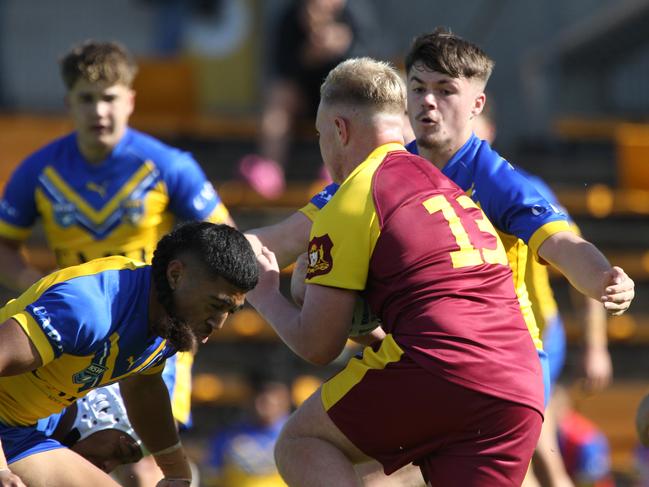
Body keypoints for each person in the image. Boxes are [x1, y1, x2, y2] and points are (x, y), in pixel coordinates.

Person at [247, 56, 545, 486]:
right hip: (520, 385)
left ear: (339, 130)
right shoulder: (450, 186)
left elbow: (317, 345)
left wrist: (265, 294)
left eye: (318, 134)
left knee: (302, 442)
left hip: (442, 366)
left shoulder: (350, 199)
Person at [0, 40, 234, 485]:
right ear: (70, 103)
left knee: (141, 464)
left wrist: (197, 313)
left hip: (149, 333)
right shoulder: (39, 170)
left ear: (130, 100)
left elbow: (224, 245)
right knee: (82, 456)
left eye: (109, 97)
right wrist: (38, 283)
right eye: (86, 99)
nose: (99, 111)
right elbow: (3, 244)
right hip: (77, 333)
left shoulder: (168, 166)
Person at [0, 221, 258, 486]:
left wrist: (176, 473)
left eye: (230, 311)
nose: (220, 322)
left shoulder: (167, 315)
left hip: (22, 432)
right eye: (216, 305)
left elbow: (143, 388)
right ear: (176, 274)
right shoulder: (91, 307)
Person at [474, 100, 613, 487]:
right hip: (481, 343)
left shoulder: (523, 187)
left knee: (536, 451)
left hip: (532, 337)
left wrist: (596, 347)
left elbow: (577, 259)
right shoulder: (435, 187)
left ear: (490, 129)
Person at [238, 0, 380, 199]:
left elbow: (374, 64)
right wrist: (308, 56)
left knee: (348, 96)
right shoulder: (291, 17)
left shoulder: (354, 14)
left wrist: (346, 47)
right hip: (303, 99)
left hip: (339, 99)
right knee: (279, 95)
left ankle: (336, 168)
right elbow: (281, 69)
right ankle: (271, 167)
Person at [204, 372, 292, 487]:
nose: (263, 403)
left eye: (271, 396)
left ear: (285, 399)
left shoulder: (297, 435)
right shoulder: (227, 437)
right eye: (258, 395)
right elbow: (211, 477)